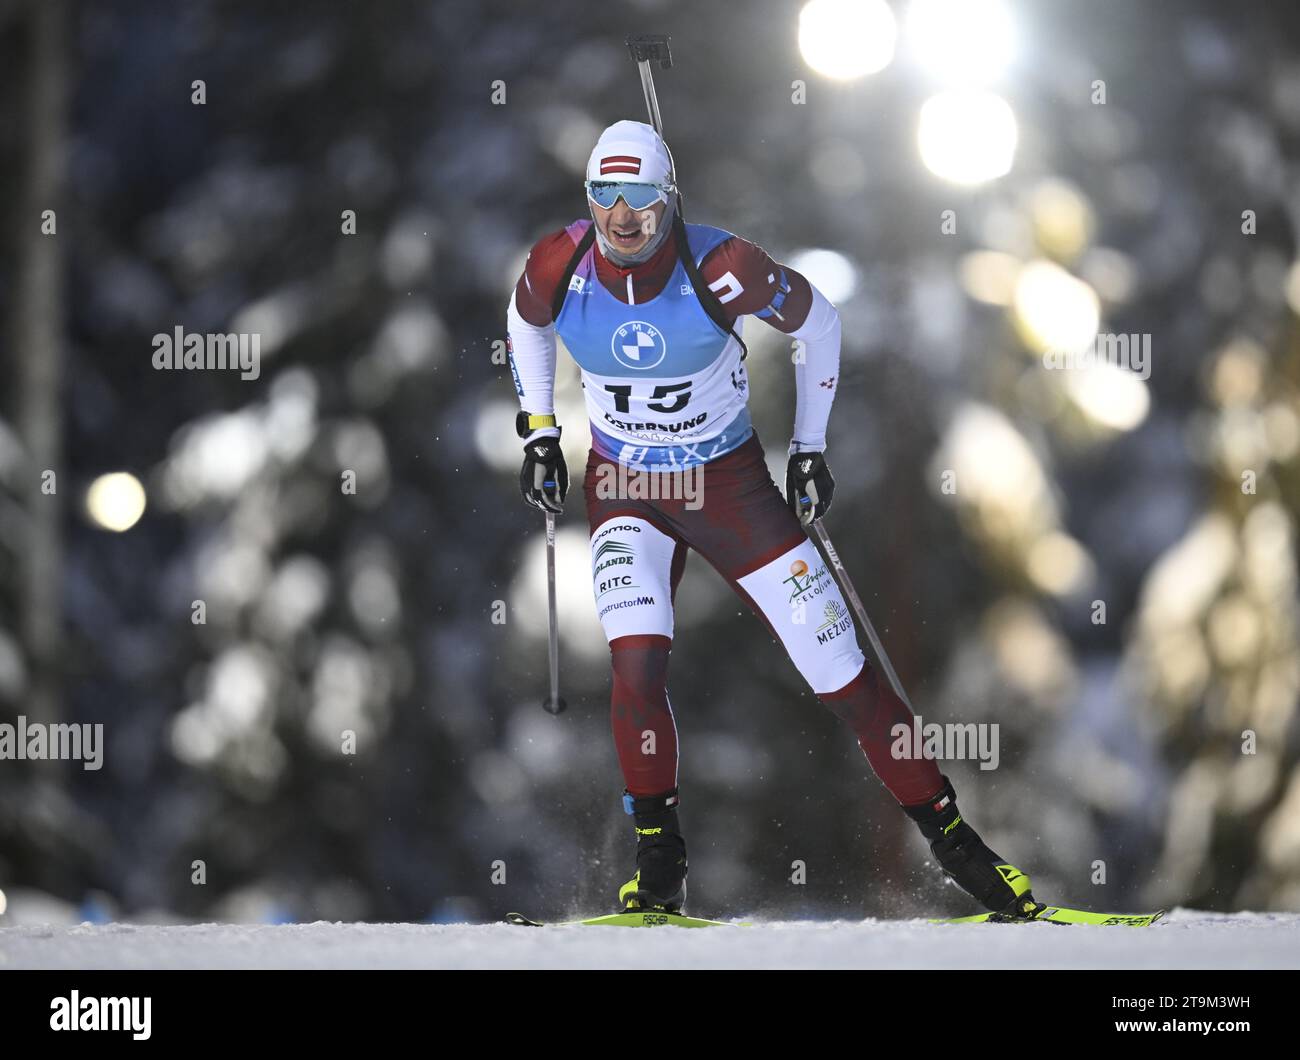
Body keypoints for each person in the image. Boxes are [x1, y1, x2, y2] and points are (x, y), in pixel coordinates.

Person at [506, 119, 1035, 918]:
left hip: (729, 489)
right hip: (623, 485)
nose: (623, 218)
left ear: (670, 203)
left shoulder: (723, 268)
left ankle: (965, 850)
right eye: (607, 198)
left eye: (643, 201)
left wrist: (810, 450)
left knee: (842, 673)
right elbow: (525, 324)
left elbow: (819, 323)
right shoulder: (560, 261)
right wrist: (540, 431)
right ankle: (659, 870)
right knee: (637, 665)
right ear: (588, 202)